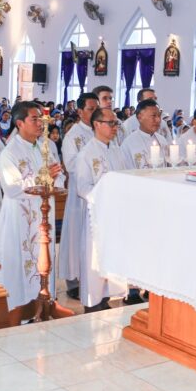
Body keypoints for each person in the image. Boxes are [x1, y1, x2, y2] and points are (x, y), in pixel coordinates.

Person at [0, 102, 65, 310]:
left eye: (41, 119)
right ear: (19, 123)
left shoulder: (45, 146)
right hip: (20, 215)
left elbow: (57, 174)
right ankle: (20, 307)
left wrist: (55, 181)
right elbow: (12, 188)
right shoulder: (9, 153)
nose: (41, 124)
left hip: (43, 213)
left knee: (43, 255)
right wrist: (44, 178)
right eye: (34, 119)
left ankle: (45, 300)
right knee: (21, 259)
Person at [74, 107, 128, 311]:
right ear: (97, 125)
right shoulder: (87, 154)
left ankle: (107, 296)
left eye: (116, 123)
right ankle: (93, 302)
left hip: (115, 213)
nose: (115, 127)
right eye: (110, 123)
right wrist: (105, 197)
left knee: (112, 255)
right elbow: (82, 188)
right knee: (95, 257)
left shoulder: (116, 149)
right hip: (96, 215)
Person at [59, 93, 100, 301]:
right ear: (80, 111)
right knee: (76, 236)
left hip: (99, 193)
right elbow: (71, 164)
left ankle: (93, 276)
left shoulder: (100, 132)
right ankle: (74, 281)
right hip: (80, 195)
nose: (95, 113)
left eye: (96, 108)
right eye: (91, 109)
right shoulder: (73, 136)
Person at [121, 99, 170, 169]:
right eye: (153, 116)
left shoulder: (162, 140)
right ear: (139, 117)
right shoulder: (128, 144)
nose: (158, 120)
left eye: (159, 116)